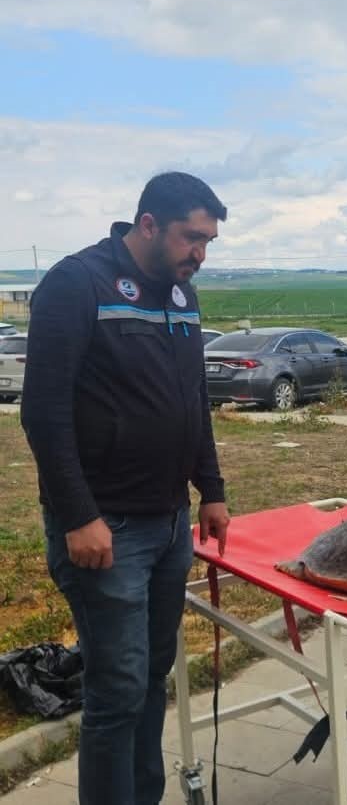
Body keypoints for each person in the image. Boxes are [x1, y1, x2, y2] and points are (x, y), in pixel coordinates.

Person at [21, 172, 231, 805]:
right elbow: (44, 411)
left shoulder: (181, 296)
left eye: (208, 241)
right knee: (117, 688)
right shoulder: (77, 283)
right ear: (147, 225)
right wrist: (78, 514)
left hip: (169, 524)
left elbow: (192, 401)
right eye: (191, 238)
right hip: (105, 528)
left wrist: (212, 490)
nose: (200, 253)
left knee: (151, 678)